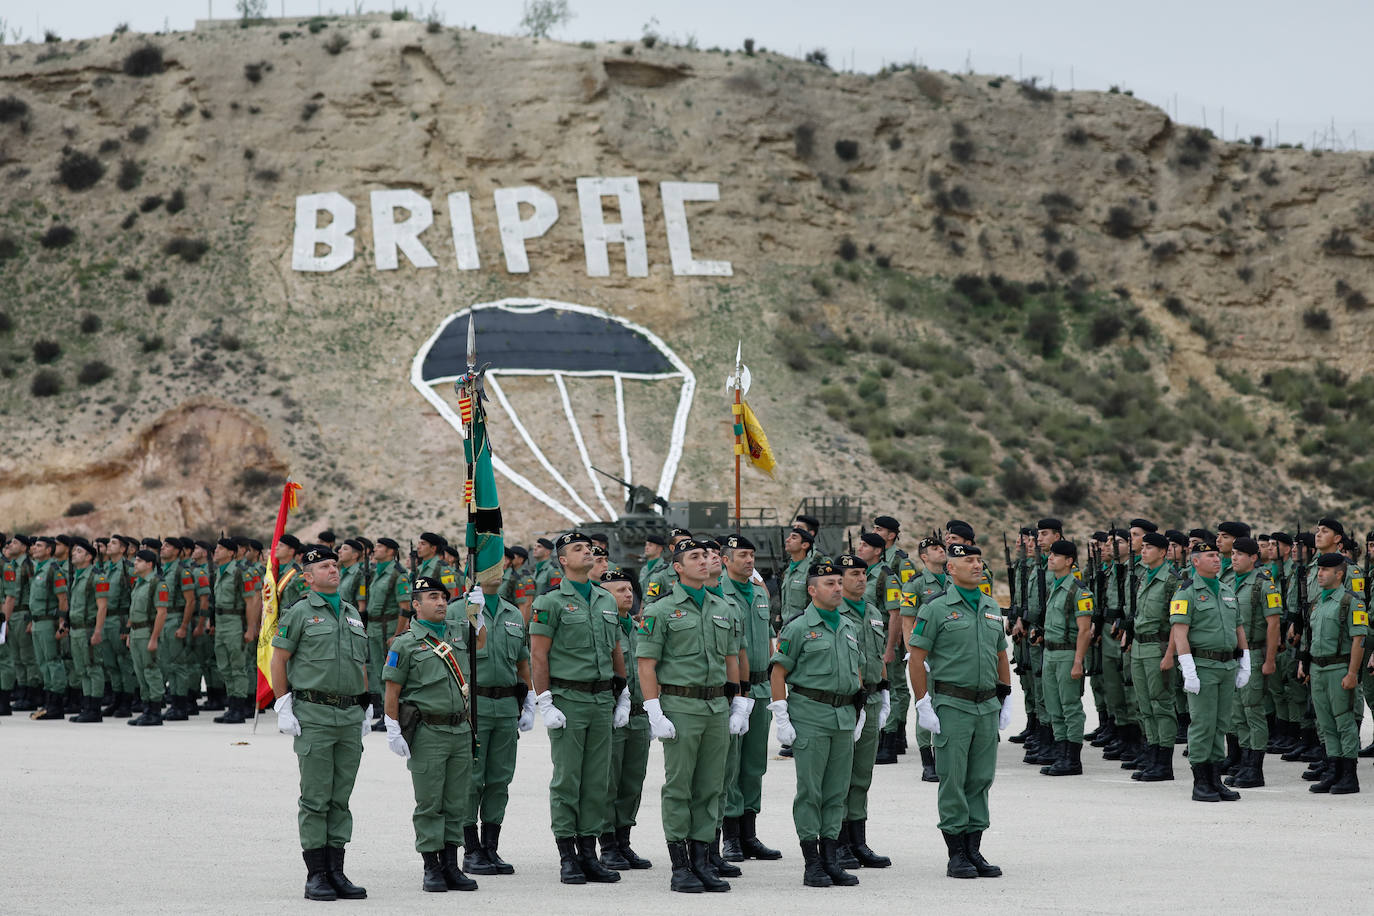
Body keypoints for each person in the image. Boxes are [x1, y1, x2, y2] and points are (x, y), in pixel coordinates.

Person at [636, 537, 742, 893]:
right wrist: (654, 710)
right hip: (681, 707)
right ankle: (680, 866)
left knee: (711, 786)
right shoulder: (660, 611)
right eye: (693, 557)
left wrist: (737, 700)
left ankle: (702, 861)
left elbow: (731, 659)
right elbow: (646, 664)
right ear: (678, 568)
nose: (703, 561)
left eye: (705, 556)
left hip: (716, 706)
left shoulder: (721, 607)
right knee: (680, 787)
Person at [270, 545, 372, 901]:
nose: (333, 570)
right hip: (314, 713)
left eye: (334, 564)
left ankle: (337, 871)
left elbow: (361, 663)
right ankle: (316, 874)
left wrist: (365, 702)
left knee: (340, 797)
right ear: (308, 577)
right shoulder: (299, 613)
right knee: (316, 797)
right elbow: (279, 658)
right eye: (324, 566)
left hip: (348, 715)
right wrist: (283, 703)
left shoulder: (352, 614)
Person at [529, 532, 628, 886]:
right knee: (568, 780)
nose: (586, 553)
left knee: (597, 782)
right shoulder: (551, 602)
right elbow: (538, 654)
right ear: (563, 561)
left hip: (602, 699)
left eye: (589, 548)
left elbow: (616, 648)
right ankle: (567, 856)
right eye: (577, 549)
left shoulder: (604, 599)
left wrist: (623, 691)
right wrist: (544, 700)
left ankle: (589, 854)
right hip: (569, 700)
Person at [907, 543, 1011, 879]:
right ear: (950, 569)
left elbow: (1000, 656)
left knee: (980, 778)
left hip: (986, 704)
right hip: (953, 703)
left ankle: (974, 849)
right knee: (953, 778)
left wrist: (1006, 696)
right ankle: (956, 854)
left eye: (979, 559)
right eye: (968, 560)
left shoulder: (992, 605)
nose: (977, 565)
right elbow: (917, 658)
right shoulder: (935, 609)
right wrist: (923, 702)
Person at [769, 560, 864, 889]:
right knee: (811, 791)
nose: (838, 588)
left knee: (837, 792)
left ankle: (831, 858)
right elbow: (778, 671)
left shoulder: (849, 626)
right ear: (812, 591)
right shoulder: (797, 627)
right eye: (829, 584)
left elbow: (857, 670)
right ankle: (812, 863)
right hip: (810, 715)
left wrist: (859, 708)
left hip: (843, 717)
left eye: (839, 582)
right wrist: (780, 714)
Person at [383, 576, 481, 893]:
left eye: (443, 597)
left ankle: (452, 864)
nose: (440, 602)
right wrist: (393, 727)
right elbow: (392, 690)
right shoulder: (405, 643)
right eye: (432, 597)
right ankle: (431, 866)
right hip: (428, 731)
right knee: (430, 802)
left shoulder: (457, 632)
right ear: (416, 604)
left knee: (456, 802)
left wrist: (478, 615)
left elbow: (480, 641)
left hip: (459, 729)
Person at [463, 575, 534, 876]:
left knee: (499, 779)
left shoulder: (513, 613)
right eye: (492, 564)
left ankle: (490, 847)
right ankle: (470, 849)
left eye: (502, 564)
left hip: (506, 706)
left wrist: (529, 696)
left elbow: (522, 661)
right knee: (471, 779)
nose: (498, 570)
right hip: (473, 705)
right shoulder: (459, 610)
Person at [718, 534, 782, 862]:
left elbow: (768, 638)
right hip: (735, 691)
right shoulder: (719, 593)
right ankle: (730, 836)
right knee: (731, 764)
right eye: (742, 555)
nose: (749, 560)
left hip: (760, 687)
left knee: (755, 764)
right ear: (725, 560)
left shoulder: (759, 592)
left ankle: (749, 833)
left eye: (751, 555)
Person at [1170, 540, 1247, 802]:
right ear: (1195, 561)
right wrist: (1188, 668)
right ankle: (1200, 782)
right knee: (1203, 724)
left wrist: (1244, 660)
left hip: (1227, 665)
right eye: (1210, 555)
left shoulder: (1226, 589)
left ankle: (1215, 779)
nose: (1217, 559)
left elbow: (1239, 627)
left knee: (1220, 724)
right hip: (1203, 666)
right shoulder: (1186, 592)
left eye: (1217, 555)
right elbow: (1180, 632)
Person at [835, 553, 892, 869]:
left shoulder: (871, 611)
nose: (861, 578)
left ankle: (859, 840)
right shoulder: (835, 612)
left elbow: (877, 656)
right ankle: (839, 841)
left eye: (863, 573)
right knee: (841, 775)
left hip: (870, 699)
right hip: (845, 702)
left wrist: (884, 692)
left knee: (862, 776)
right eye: (853, 573)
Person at [1298, 553, 1367, 795]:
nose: (1320, 574)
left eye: (1326, 570)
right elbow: (1311, 637)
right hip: (1318, 669)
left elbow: (1359, 640)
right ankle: (1333, 771)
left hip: (1339, 668)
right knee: (1326, 724)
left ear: (1339, 574)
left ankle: (1349, 776)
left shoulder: (1351, 602)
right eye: (1319, 570)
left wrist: (1352, 673)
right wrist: (1305, 666)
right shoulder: (1318, 601)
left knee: (1344, 722)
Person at [599, 569, 653, 871]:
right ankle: (607, 845)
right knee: (609, 781)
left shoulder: (638, 627)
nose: (628, 595)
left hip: (639, 716)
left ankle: (624, 841)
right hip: (611, 715)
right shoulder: (604, 627)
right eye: (620, 590)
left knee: (633, 781)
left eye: (630, 589)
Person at [1223, 537, 1281, 788]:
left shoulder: (1263, 585)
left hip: (1254, 654)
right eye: (1233, 553)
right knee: (1237, 712)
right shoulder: (1227, 582)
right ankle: (1244, 763)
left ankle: (1255, 769)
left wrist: (1269, 660)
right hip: (1233, 654)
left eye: (1239, 554)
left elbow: (1274, 624)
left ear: (1253, 558)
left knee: (1253, 710)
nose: (1234, 558)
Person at [1038, 540, 1094, 777]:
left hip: (1068, 653)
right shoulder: (1055, 586)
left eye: (1056, 555)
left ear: (1069, 561)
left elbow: (1084, 630)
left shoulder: (1078, 590)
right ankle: (1061, 754)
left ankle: (1073, 758)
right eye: (1050, 554)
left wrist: (1078, 661)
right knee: (1053, 705)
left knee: (1070, 706)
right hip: (1050, 653)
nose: (1051, 558)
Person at [210, 538, 260, 725]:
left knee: (238, 667)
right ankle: (231, 706)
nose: (216, 551)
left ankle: (239, 708)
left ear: (231, 553)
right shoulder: (218, 573)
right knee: (224, 666)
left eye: (220, 548)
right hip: (222, 624)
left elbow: (251, 602)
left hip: (235, 623)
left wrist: (250, 628)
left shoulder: (240, 573)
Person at [125, 548, 171, 726]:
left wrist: (154, 638)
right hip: (137, 632)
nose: (135, 564)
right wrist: (130, 632)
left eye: (138, 561)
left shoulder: (157, 583)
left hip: (147, 632)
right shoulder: (139, 583)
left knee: (151, 670)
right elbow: (133, 611)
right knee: (140, 672)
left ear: (149, 564)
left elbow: (161, 613)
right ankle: (147, 709)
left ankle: (155, 711)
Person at [64, 538, 108, 723]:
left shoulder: (97, 576)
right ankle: (87, 706)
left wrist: (98, 631)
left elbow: (102, 607)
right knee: (82, 669)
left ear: (89, 556)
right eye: (74, 551)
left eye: (79, 551)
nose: (74, 554)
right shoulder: (77, 576)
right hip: (76, 630)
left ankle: (95, 708)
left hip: (88, 629)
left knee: (93, 668)